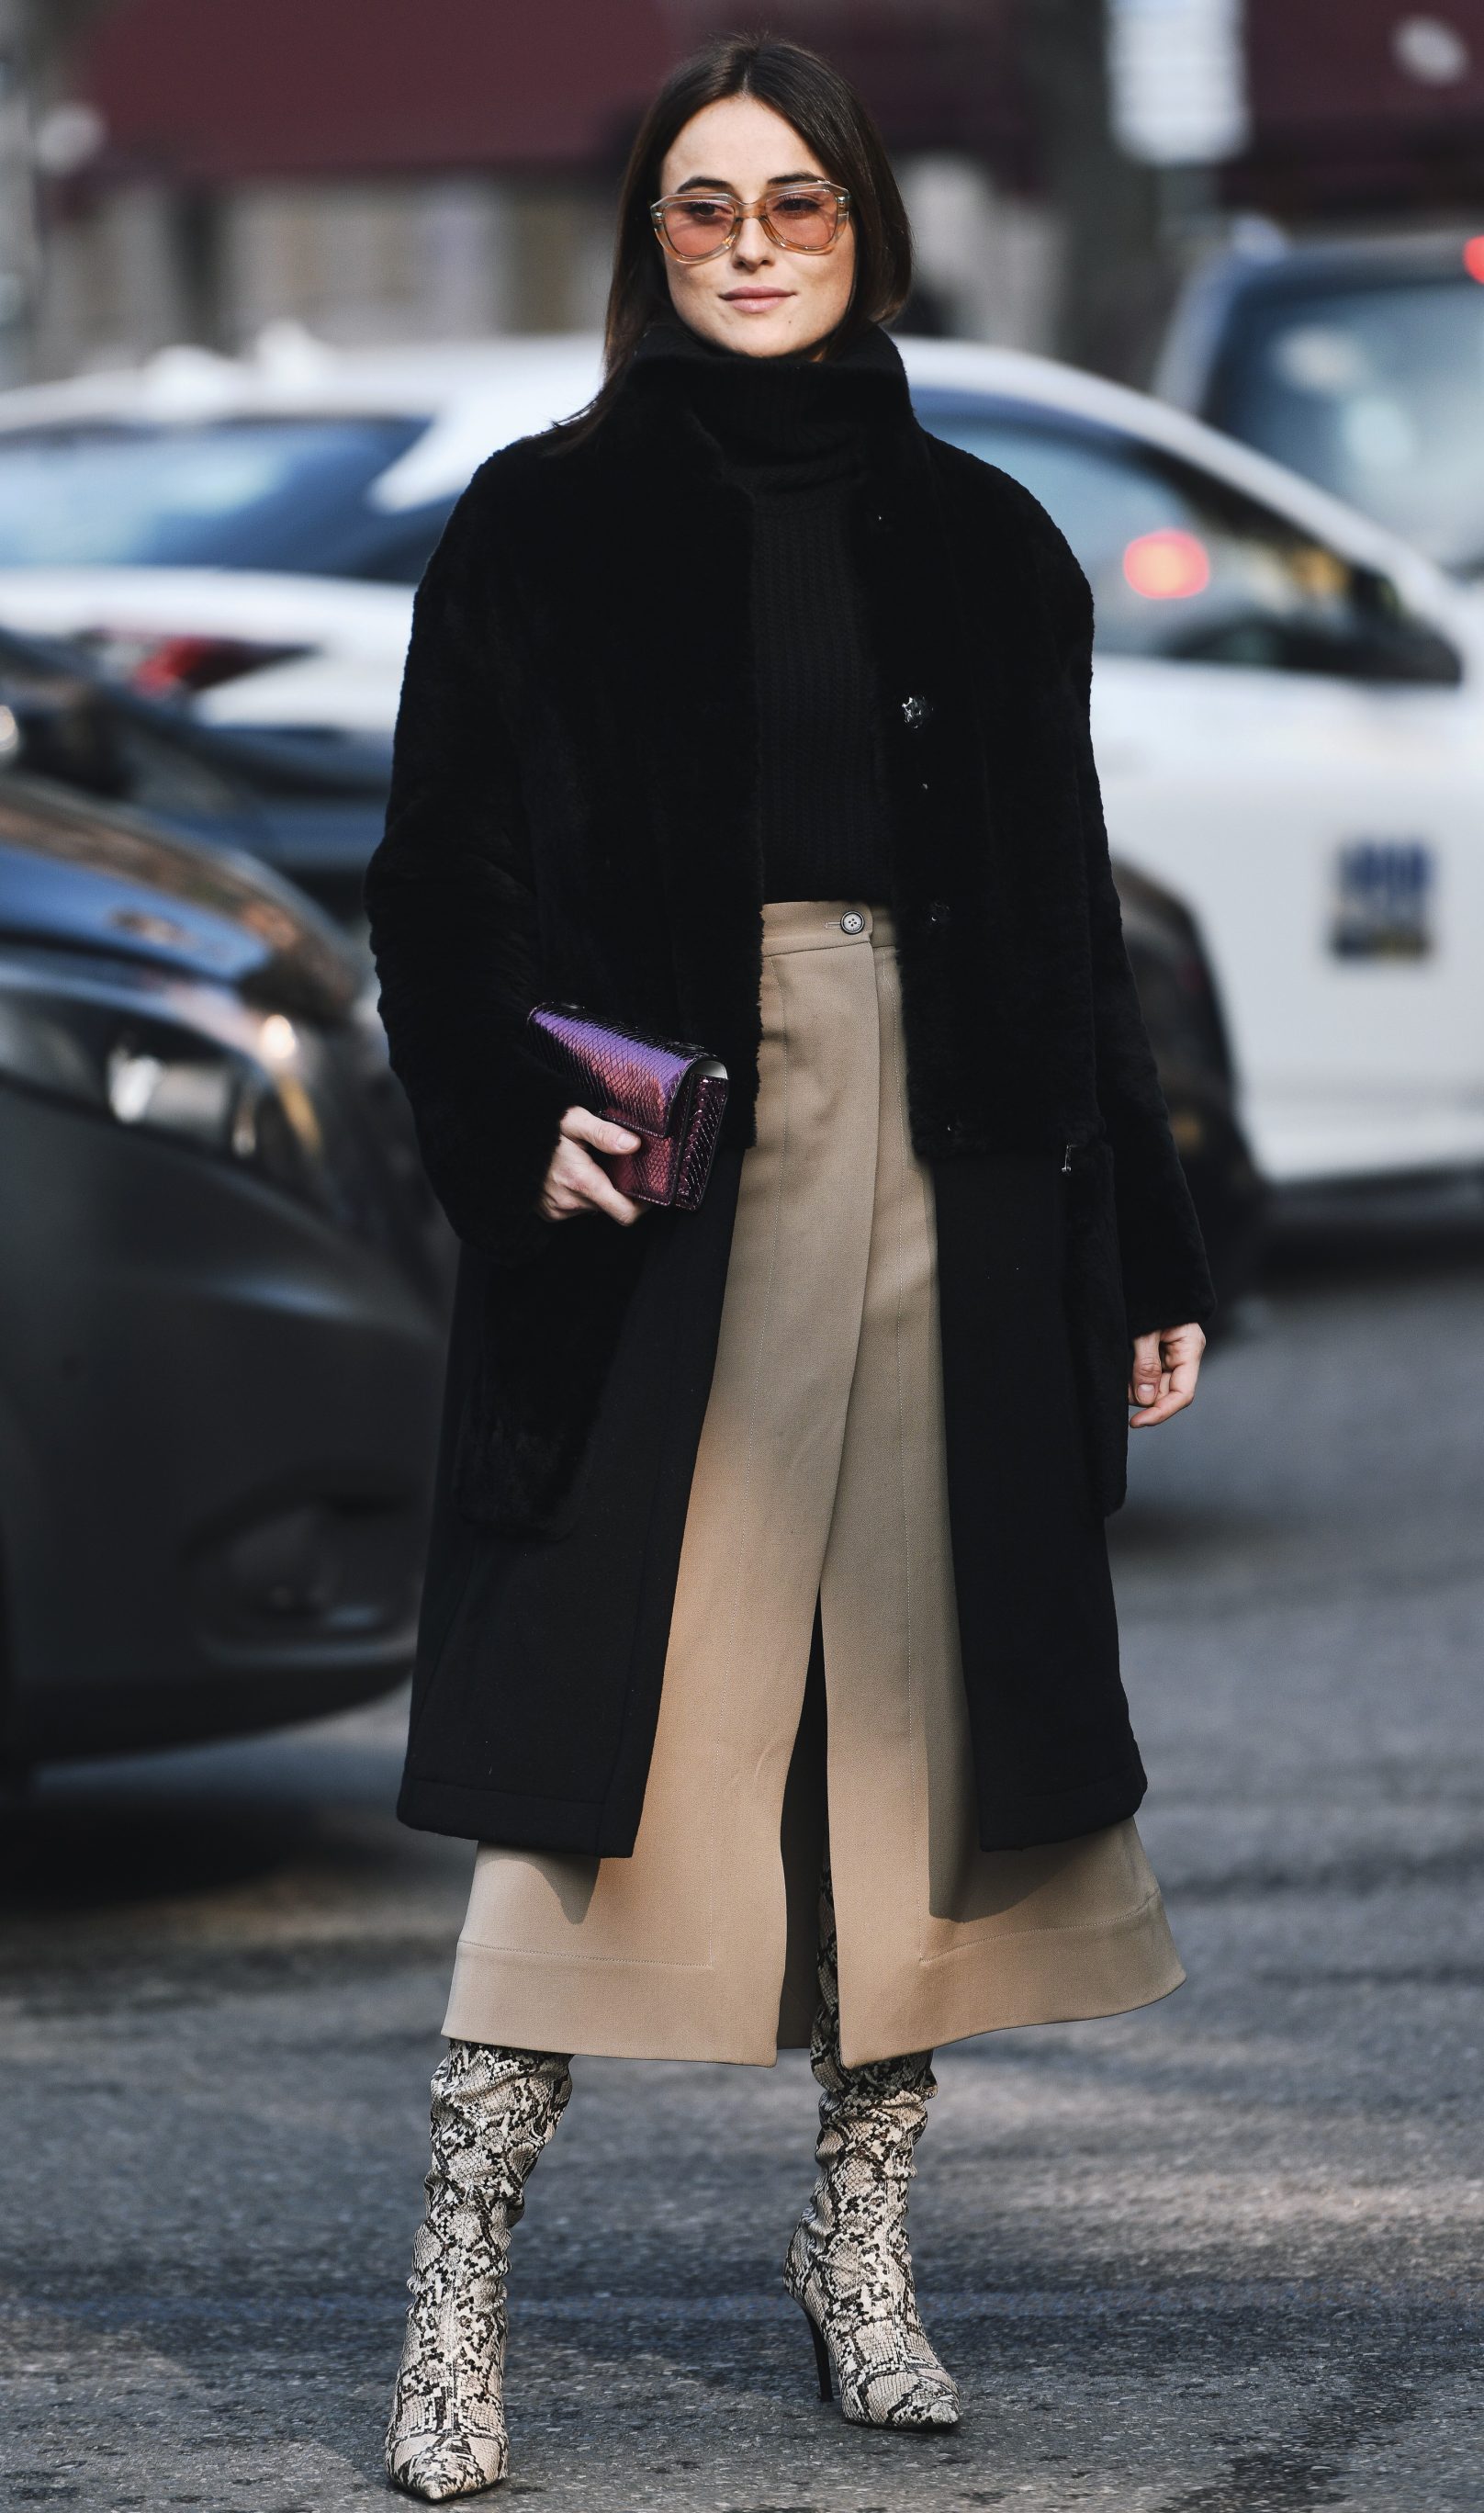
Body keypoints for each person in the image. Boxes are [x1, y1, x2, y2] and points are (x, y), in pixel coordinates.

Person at [365, 30, 1213, 2502]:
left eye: (793, 206)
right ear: (652, 245)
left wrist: (1140, 1247)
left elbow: (1069, 935)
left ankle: (857, 2263)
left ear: (867, 229)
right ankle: (456, 2303)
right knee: (606, 1738)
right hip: (668, 1183)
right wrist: (519, 1122)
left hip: (956, 1165)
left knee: (910, 1734)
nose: (749, 247)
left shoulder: (992, 543)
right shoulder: (533, 528)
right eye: (704, 210)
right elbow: (439, 891)